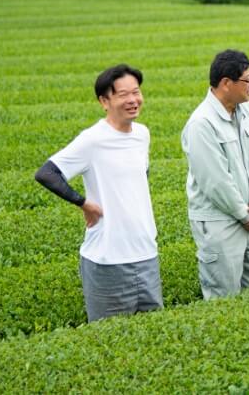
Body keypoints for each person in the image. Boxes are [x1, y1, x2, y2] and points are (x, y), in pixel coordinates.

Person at [34, 63, 163, 322]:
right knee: (110, 342)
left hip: (146, 254)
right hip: (108, 259)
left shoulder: (142, 134)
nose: (133, 100)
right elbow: (47, 173)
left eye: (136, 92)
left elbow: (139, 177)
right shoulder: (92, 140)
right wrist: (84, 203)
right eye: (123, 94)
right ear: (104, 101)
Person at [181, 49, 249, 299]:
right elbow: (215, 182)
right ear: (226, 83)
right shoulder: (202, 124)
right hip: (221, 222)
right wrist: (246, 215)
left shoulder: (248, 110)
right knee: (224, 298)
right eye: (247, 80)